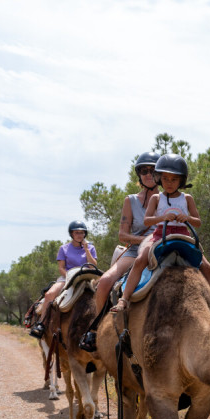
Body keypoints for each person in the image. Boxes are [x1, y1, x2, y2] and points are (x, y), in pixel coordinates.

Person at [112, 153, 210, 312]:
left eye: (174, 179)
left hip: (183, 236)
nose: (169, 183)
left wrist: (188, 218)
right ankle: (124, 299)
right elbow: (147, 221)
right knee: (141, 259)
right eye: (165, 179)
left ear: (181, 180)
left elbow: (198, 222)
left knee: (207, 266)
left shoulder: (187, 198)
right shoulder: (156, 198)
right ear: (159, 179)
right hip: (160, 235)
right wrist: (162, 217)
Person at [79, 151, 160, 352]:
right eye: (143, 170)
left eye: (152, 170)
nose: (148, 174)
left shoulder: (169, 199)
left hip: (163, 248)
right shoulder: (130, 200)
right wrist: (145, 240)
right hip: (136, 251)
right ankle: (97, 330)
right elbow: (123, 235)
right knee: (105, 281)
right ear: (139, 175)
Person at [30, 220, 98, 338]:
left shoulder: (90, 248)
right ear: (71, 234)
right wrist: (70, 277)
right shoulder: (64, 248)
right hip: (67, 277)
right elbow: (61, 268)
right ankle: (42, 324)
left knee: (104, 293)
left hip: (87, 277)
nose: (79, 235)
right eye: (76, 233)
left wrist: (86, 250)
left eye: (82, 233)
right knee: (49, 294)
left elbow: (94, 265)